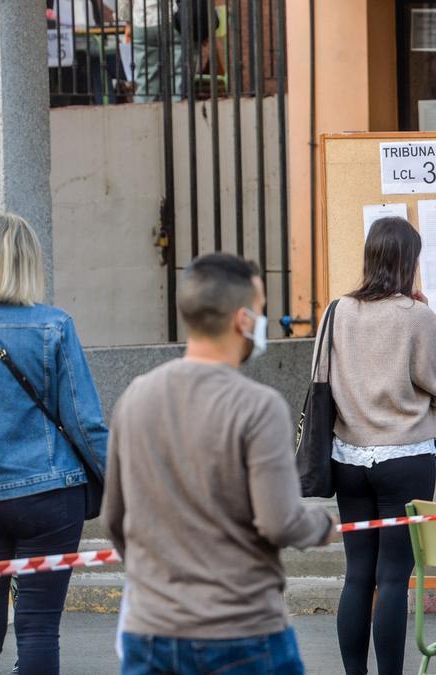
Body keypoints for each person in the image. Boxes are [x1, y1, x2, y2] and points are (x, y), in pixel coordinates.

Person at [105, 253, 335, 674]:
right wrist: (321, 526)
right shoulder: (258, 406)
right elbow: (280, 520)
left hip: (151, 629)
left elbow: (115, 518)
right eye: (262, 310)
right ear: (243, 320)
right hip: (242, 629)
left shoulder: (135, 397)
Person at [325, 217, 436, 675]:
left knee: (357, 574)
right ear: (410, 260)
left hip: (348, 456)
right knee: (392, 578)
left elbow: (321, 381)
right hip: (404, 459)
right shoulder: (416, 316)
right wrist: (429, 314)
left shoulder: (337, 311)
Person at [0, 214, 109, 674]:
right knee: (39, 627)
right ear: (30, 265)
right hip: (49, 497)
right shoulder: (54, 325)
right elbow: (85, 422)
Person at [118, 0, 183, 103]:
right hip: (172, 17)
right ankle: (178, 113)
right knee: (178, 77)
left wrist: (127, 19)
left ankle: (143, 114)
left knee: (146, 82)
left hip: (141, 19)